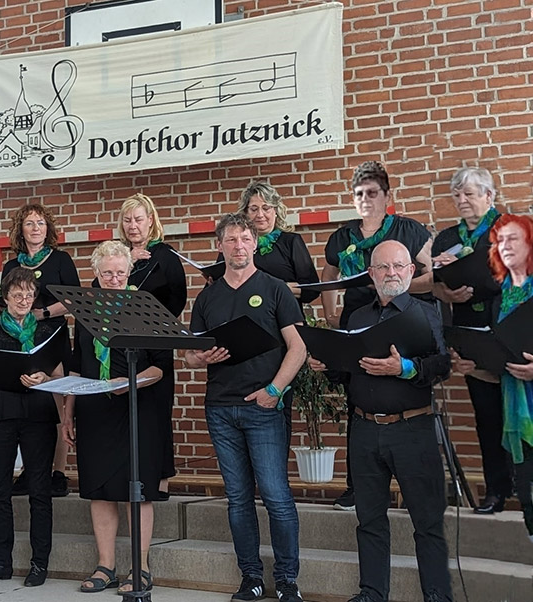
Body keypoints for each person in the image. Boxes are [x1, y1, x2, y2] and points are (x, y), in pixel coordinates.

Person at [308, 240, 453, 602]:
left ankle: (437, 595)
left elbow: (442, 366)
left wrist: (403, 368)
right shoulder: (357, 318)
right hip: (364, 430)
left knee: (428, 522)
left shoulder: (427, 312)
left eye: (398, 266)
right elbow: (348, 374)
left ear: (410, 271)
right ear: (371, 274)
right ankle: (372, 593)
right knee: (369, 520)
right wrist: (327, 365)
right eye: (383, 267)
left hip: (413, 430)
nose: (391, 273)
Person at [185, 213, 306, 602]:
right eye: (231, 240)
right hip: (221, 408)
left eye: (245, 239)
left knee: (275, 495)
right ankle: (251, 577)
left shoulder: (275, 289)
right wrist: (201, 358)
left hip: (264, 407)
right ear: (219, 246)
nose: (238, 246)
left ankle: (287, 580)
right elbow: (190, 354)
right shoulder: (207, 296)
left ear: (255, 244)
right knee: (238, 498)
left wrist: (275, 389)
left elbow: (298, 347)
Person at [321, 161, 433, 511]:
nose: (366, 199)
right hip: (358, 320)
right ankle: (358, 486)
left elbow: (432, 274)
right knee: (359, 402)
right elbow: (328, 275)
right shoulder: (343, 236)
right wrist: (331, 315)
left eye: (372, 193)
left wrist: (395, 286)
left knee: (403, 398)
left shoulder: (408, 229)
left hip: (401, 319)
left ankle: (412, 487)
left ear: (387, 195)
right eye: (359, 194)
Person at [62, 240, 168, 595]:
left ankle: (141, 567)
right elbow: (77, 367)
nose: (114, 279)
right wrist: (67, 415)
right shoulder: (85, 313)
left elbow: (160, 368)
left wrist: (130, 382)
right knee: (100, 490)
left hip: (137, 410)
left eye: (120, 272)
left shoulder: (145, 308)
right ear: (96, 273)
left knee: (138, 490)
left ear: (129, 272)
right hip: (95, 410)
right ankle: (105, 565)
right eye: (107, 273)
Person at [0, 267, 63, 587]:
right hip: (0, 412)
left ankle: (39, 563)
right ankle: (1, 562)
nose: (24, 300)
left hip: (38, 413)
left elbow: (60, 374)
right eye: (17, 294)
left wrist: (45, 377)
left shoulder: (47, 330)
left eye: (29, 295)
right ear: (5, 298)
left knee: (39, 491)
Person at [431, 167, 510, 514]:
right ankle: (496, 490)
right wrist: (446, 292)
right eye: (457, 195)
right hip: (472, 336)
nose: (461, 200)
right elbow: (433, 284)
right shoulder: (447, 238)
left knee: (522, 418)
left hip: (511, 333)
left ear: (489, 196)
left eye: (469, 194)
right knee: (487, 417)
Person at [223, 181, 321, 445]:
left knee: (277, 404)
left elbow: (311, 289)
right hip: (244, 334)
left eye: (266, 207)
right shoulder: (238, 246)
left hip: (282, 334)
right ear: (245, 213)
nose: (260, 214)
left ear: (276, 210)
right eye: (253, 208)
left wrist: (281, 289)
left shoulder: (290, 242)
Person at [2, 203, 79, 497]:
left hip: (52, 335)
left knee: (57, 402)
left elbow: (74, 300)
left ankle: (58, 472)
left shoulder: (60, 260)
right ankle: (30, 470)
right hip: (21, 338)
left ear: (48, 229)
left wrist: (42, 313)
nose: (36, 228)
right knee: (26, 402)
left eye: (41, 223)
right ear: (20, 230)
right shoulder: (11, 266)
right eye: (30, 223)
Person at [116, 193, 186, 499]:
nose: (133, 226)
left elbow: (178, 298)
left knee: (156, 414)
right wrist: (128, 260)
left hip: (155, 344)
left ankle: (160, 481)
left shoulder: (165, 255)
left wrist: (152, 323)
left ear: (151, 221)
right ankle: (128, 475)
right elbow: (99, 290)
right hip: (122, 347)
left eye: (138, 219)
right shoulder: (117, 255)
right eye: (127, 220)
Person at [485, 215, 533, 541]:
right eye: (500, 240)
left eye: (513, 238)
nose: (505, 246)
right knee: (526, 491)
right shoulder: (499, 297)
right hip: (515, 406)